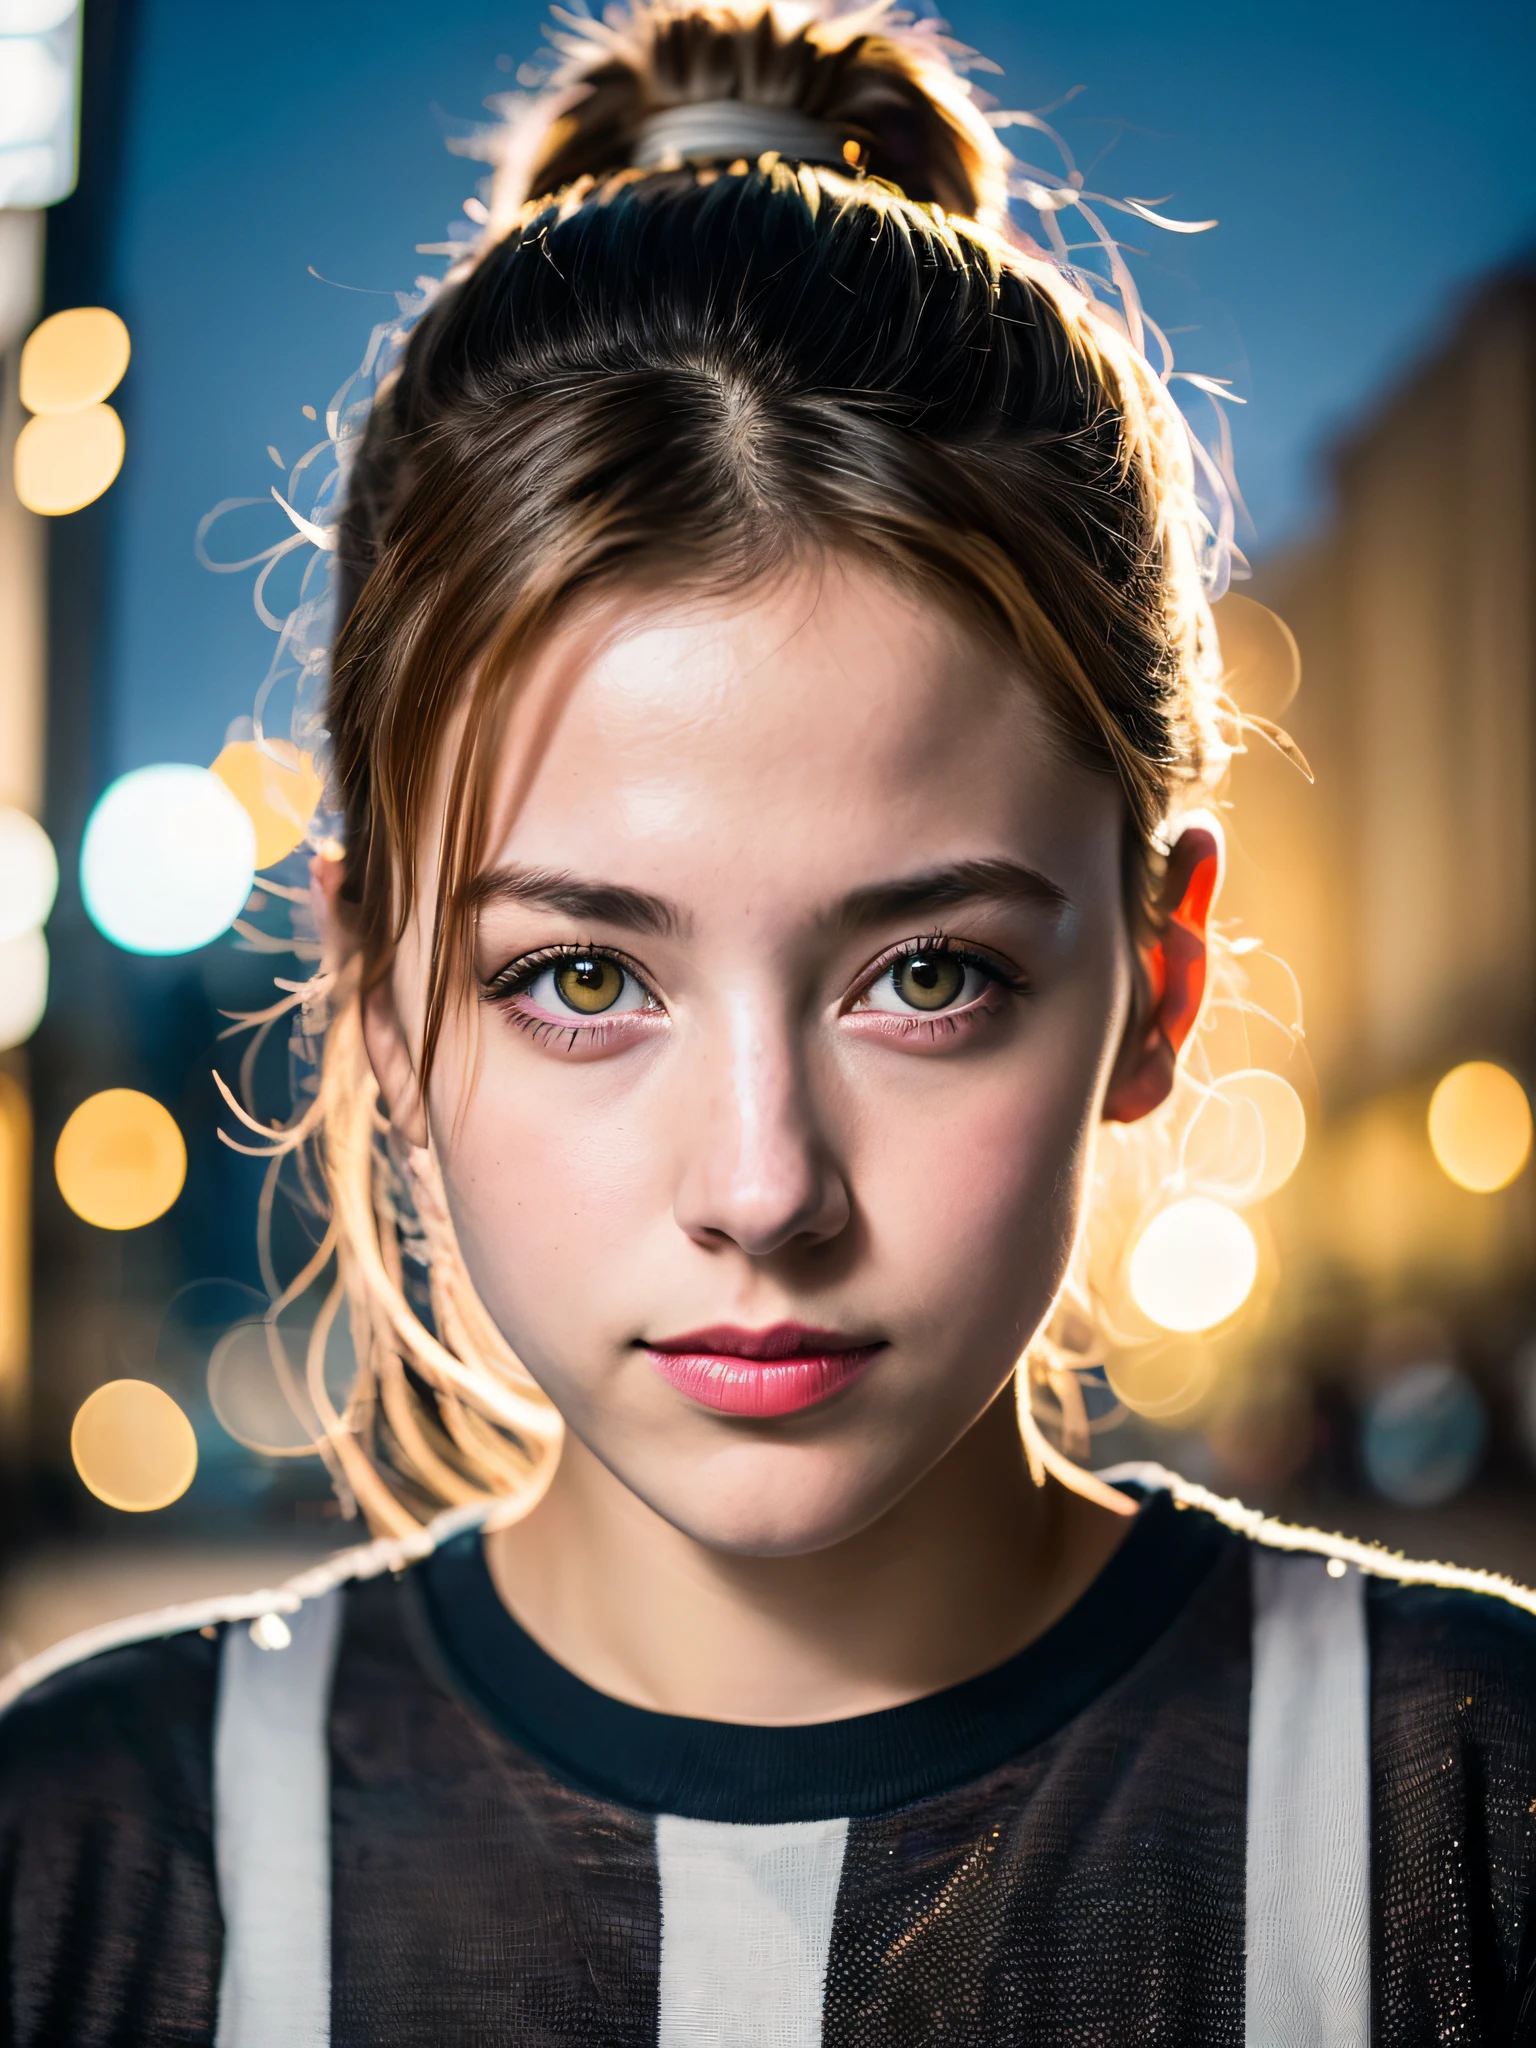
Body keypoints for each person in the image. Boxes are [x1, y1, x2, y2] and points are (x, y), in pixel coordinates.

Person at [4, 4, 1535, 2040]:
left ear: (1157, 975)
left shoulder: (1469, 1819)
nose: (762, 1189)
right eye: (584, 978)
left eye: (927, 975)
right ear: (373, 986)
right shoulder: (96, 1867)